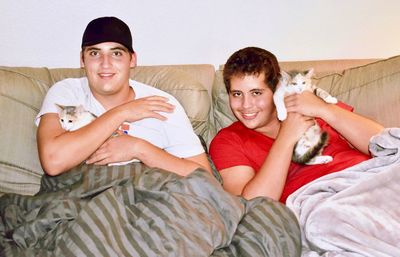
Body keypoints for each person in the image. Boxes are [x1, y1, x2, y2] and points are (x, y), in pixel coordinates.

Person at [36, 16, 211, 176]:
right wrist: (122, 113)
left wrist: (139, 148)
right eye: (95, 53)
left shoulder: (162, 104)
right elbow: (53, 162)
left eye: (116, 53)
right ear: (82, 60)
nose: (105, 64)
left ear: (132, 60)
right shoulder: (66, 92)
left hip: (150, 198)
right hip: (80, 199)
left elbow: (204, 179)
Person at [209, 46, 384, 203]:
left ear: (277, 88)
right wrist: (287, 137)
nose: (246, 105)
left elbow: (386, 145)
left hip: (374, 179)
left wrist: (324, 109)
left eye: (256, 93)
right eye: (237, 94)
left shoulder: (309, 102)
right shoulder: (228, 141)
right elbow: (250, 205)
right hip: (325, 201)